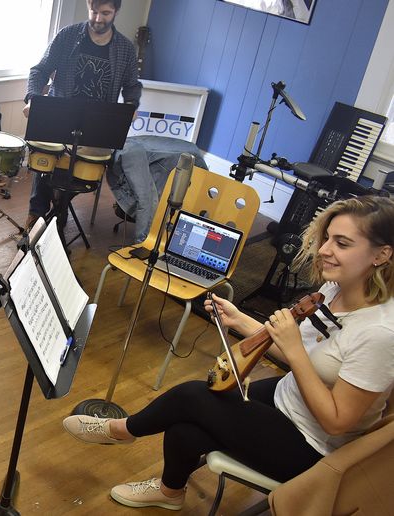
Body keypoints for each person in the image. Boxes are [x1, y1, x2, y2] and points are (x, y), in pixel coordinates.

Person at [62, 195, 394, 510]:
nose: (324, 250)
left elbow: (337, 423)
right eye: (328, 239)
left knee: (192, 398)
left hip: (311, 446)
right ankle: (169, 492)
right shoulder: (336, 287)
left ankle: (121, 431)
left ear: (381, 255)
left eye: (342, 244)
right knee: (188, 420)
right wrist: (240, 320)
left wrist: (294, 351)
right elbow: (293, 347)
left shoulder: (380, 333)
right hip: (288, 398)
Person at [23, 0, 143, 231]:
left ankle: (58, 208)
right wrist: (33, 99)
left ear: (116, 11)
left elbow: (131, 86)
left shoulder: (125, 49)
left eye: (105, 13)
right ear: (89, 6)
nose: (98, 19)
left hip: (97, 124)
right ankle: (36, 214)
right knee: (46, 152)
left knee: (80, 171)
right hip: (61, 115)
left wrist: (131, 105)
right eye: (94, 12)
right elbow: (39, 71)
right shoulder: (67, 36)